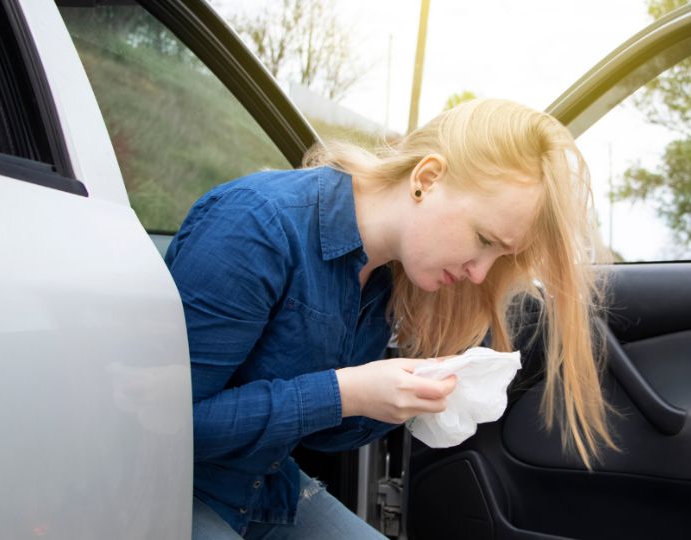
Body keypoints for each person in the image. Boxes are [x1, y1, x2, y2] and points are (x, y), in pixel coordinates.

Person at [167, 98, 618, 539]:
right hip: (170, 488)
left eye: (500, 255)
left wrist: (403, 399)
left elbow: (324, 439)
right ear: (427, 177)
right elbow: (166, 425)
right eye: (483, 239)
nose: (479, 273)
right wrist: (345, 392)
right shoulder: (257, 225)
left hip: (265, 492)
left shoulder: (388, 276)